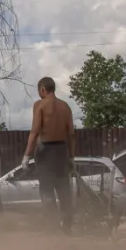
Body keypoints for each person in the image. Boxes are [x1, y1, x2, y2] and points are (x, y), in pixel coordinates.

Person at [23, 76, 76, 232]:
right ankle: (67, 227)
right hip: (62, 151)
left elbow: (34, 131)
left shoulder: (39, 105)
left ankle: (52, 227)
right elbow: (71, 134)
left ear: (43, 90)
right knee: (64, 190)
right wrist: (71, 157)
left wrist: (27, 156)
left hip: (45, 151)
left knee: (47, 190)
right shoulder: (65, 107)